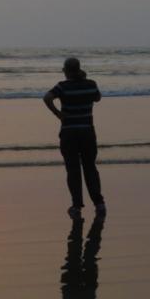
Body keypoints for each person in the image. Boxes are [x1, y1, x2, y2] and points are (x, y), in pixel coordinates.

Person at [43, 58, 107, 216]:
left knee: (73, 170)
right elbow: (97, 98)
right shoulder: (91, 84)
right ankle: (99, 203)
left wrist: (57, 113)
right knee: (90, 167)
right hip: (87, 130)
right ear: (79, 69)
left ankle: (77, 205)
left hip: (69, 131)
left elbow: (47, 98)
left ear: (66, 70)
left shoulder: (62, 86)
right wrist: (84, 79)